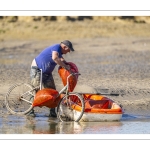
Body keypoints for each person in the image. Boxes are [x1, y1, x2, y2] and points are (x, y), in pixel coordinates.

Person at [29, 40, 75, 117]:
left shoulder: (59, 52)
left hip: (47, 73)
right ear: (64, 47)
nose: (68, 52)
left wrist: (68, 64)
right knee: (35, 90)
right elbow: (55, 58)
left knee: (53, 92)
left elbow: (61, 59)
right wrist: (65, 66)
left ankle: (52, 112)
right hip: (37, 69)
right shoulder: (56, 47)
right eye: (68, 50)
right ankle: (30, 111)